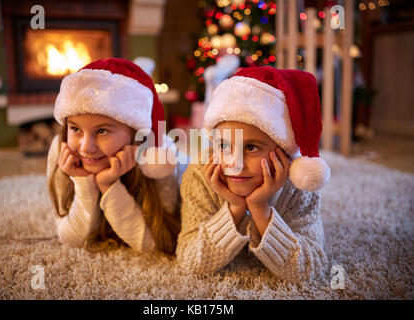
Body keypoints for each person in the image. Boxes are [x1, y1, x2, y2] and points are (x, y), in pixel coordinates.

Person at [176, 66, 331, 283]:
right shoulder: (200, 175)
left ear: (283, 151)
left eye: (251, 148)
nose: (234, 164)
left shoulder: (298, 185)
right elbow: (190, 260)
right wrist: (235, 208)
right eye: (224, 145)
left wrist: (260, 209)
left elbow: (309, 269)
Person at [47, 58, 181, 255]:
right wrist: (84, 183)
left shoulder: (161, 159)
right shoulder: (62, 150)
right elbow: (71, 238)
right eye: (75, 128)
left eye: (102, 131)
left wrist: (109, 186)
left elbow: (156, 245)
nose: (86, 148)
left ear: (135, 135)